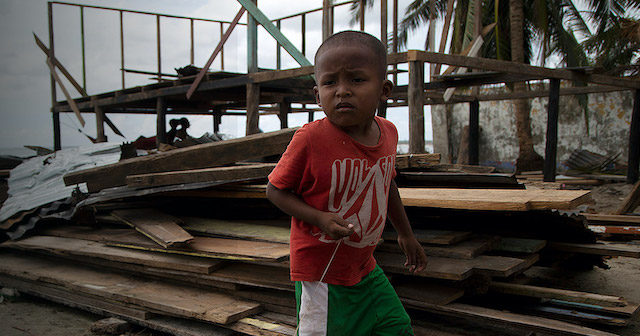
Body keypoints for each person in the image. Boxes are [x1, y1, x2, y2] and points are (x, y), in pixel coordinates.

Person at [266, 30, 428, 336]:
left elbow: (385, 182)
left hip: (364, 264)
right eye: (330, 83)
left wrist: (406, 234)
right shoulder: (311, 138)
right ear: (317, 95)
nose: (342, 91)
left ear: (384, 90)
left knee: (395, 326)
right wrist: (320, 218)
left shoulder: (388, 133)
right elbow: (275, 189)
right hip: (322, 273)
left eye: (356, 80)